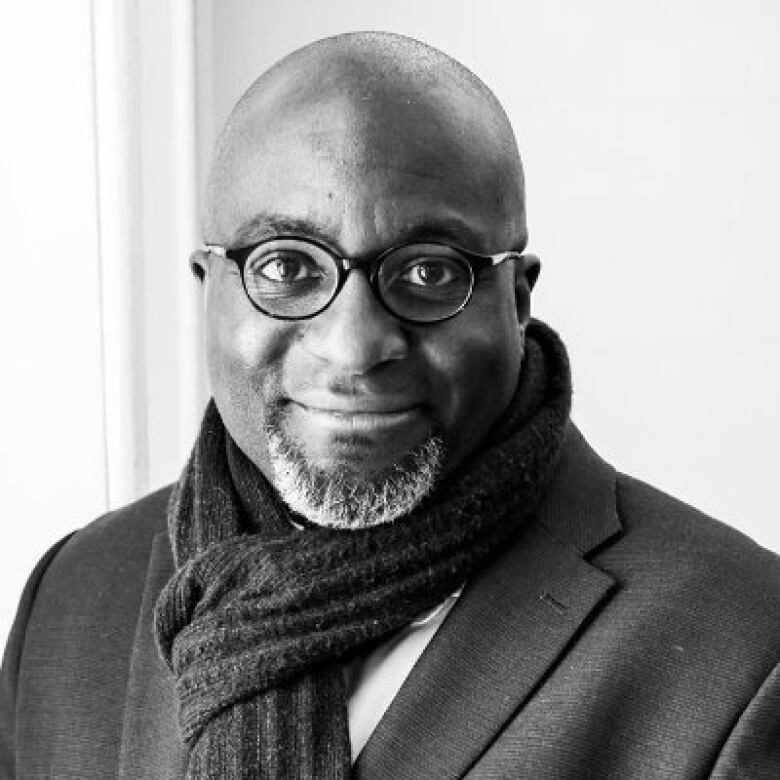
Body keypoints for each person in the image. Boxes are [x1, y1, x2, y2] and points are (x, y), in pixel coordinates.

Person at [1, 31, 778, 779]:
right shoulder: (72, 597)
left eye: (431, 272)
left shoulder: (741, 650)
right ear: (211, 292)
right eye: (286, 266)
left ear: (516, 299)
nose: (353, 345)